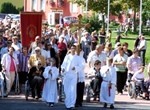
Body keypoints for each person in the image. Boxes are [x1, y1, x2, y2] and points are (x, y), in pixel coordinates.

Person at [61, 45, 81, 109]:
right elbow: (63, 64)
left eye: (74, 48)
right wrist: (63, 68)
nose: (73, 49)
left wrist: (75, 68)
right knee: (66, 90)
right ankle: (68, 103)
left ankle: (72, 104)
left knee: (72, 89)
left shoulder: (77, 57)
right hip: (67, 74)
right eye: (72, 48)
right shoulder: (67, 57)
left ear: (75, 49)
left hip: (73, 75)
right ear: (70, 49)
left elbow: (81, 66)